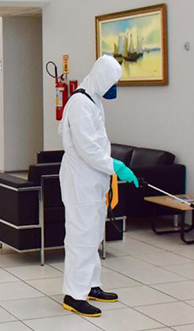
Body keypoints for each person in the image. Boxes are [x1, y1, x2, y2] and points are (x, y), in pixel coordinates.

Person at [58, 55, 139, 317]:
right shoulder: (80, 103)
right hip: (80, 179)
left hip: (93, 180)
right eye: (113, 82)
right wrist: (115, 166)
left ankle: (91, 284)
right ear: (101, 78)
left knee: (93, 235)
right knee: (81, 236)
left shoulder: (94, 100)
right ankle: (74, 294)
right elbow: (87, 148)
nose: (114, 88)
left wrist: (108, 170)